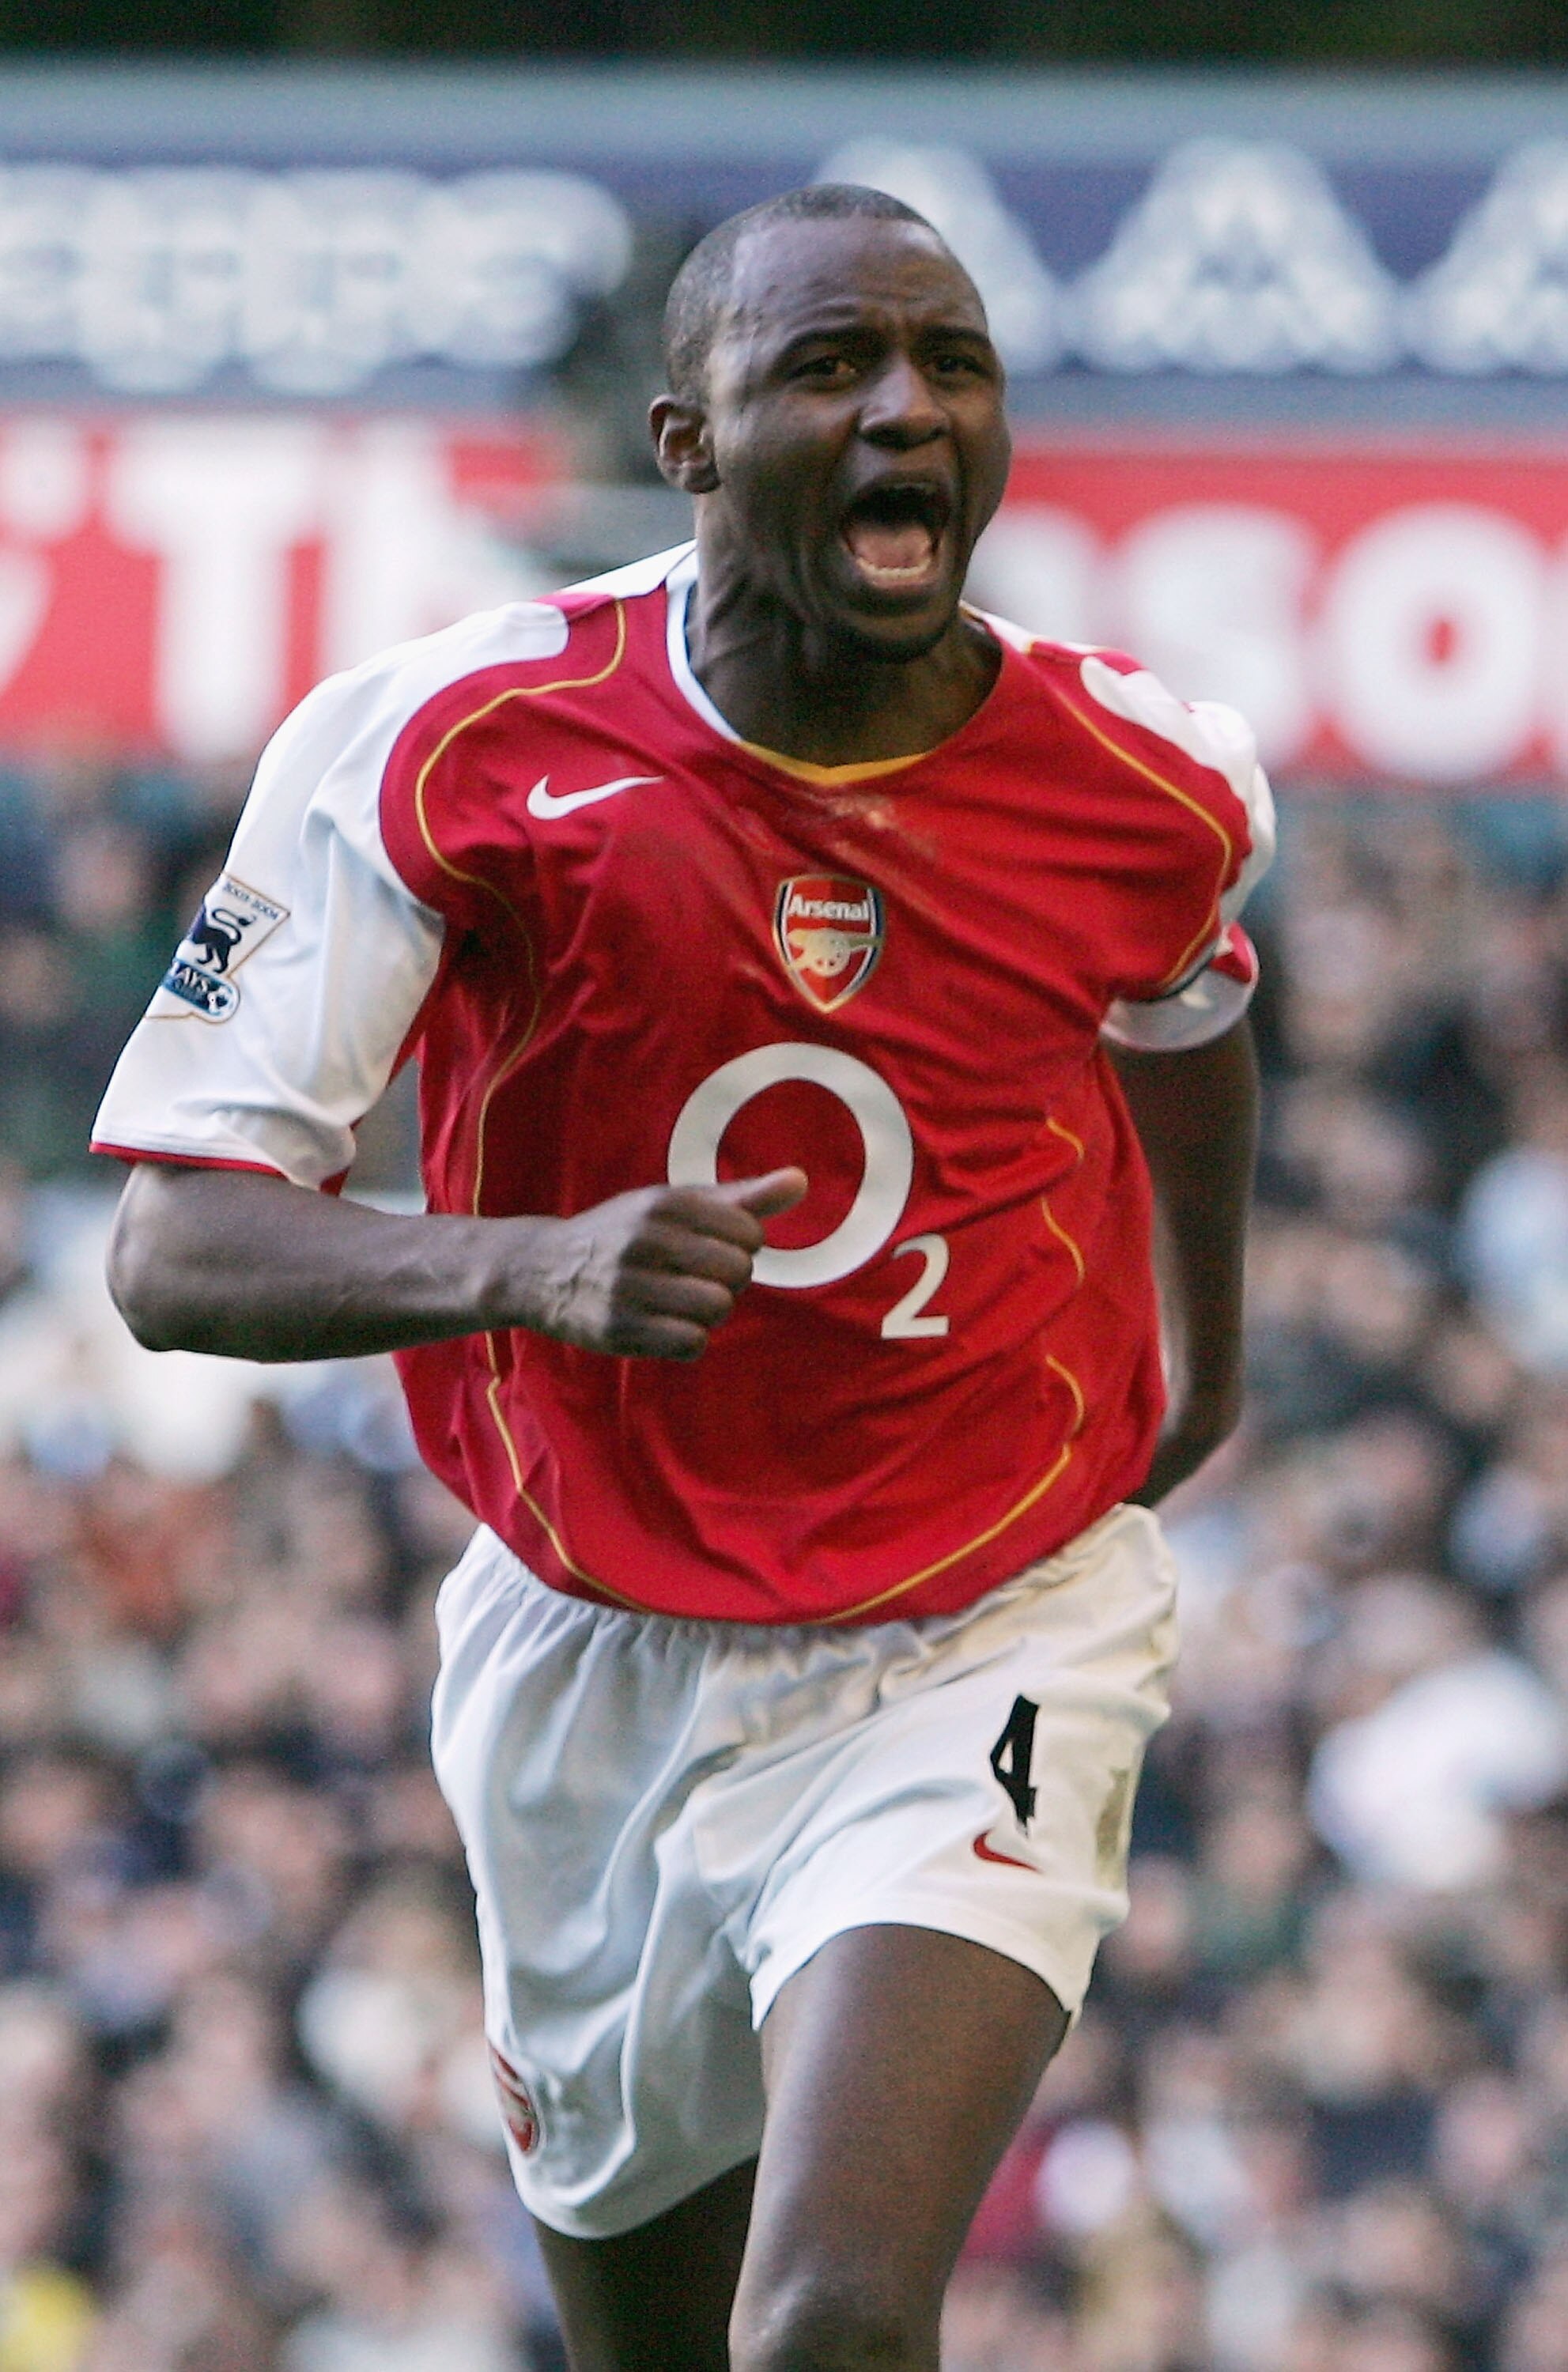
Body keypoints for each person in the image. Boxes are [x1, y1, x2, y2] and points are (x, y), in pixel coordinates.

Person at [95, 185, 1271, 2372]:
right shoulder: (447, 745)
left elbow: (1187, 1009)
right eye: (830, 368)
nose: (906, 409)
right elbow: (176, 1247)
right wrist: (528, 1264)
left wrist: (1210, 1344)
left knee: (830, 2320)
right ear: (687, 442)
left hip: (984, 1616)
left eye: (951, 364)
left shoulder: (1145, 775)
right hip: (588, 1647)